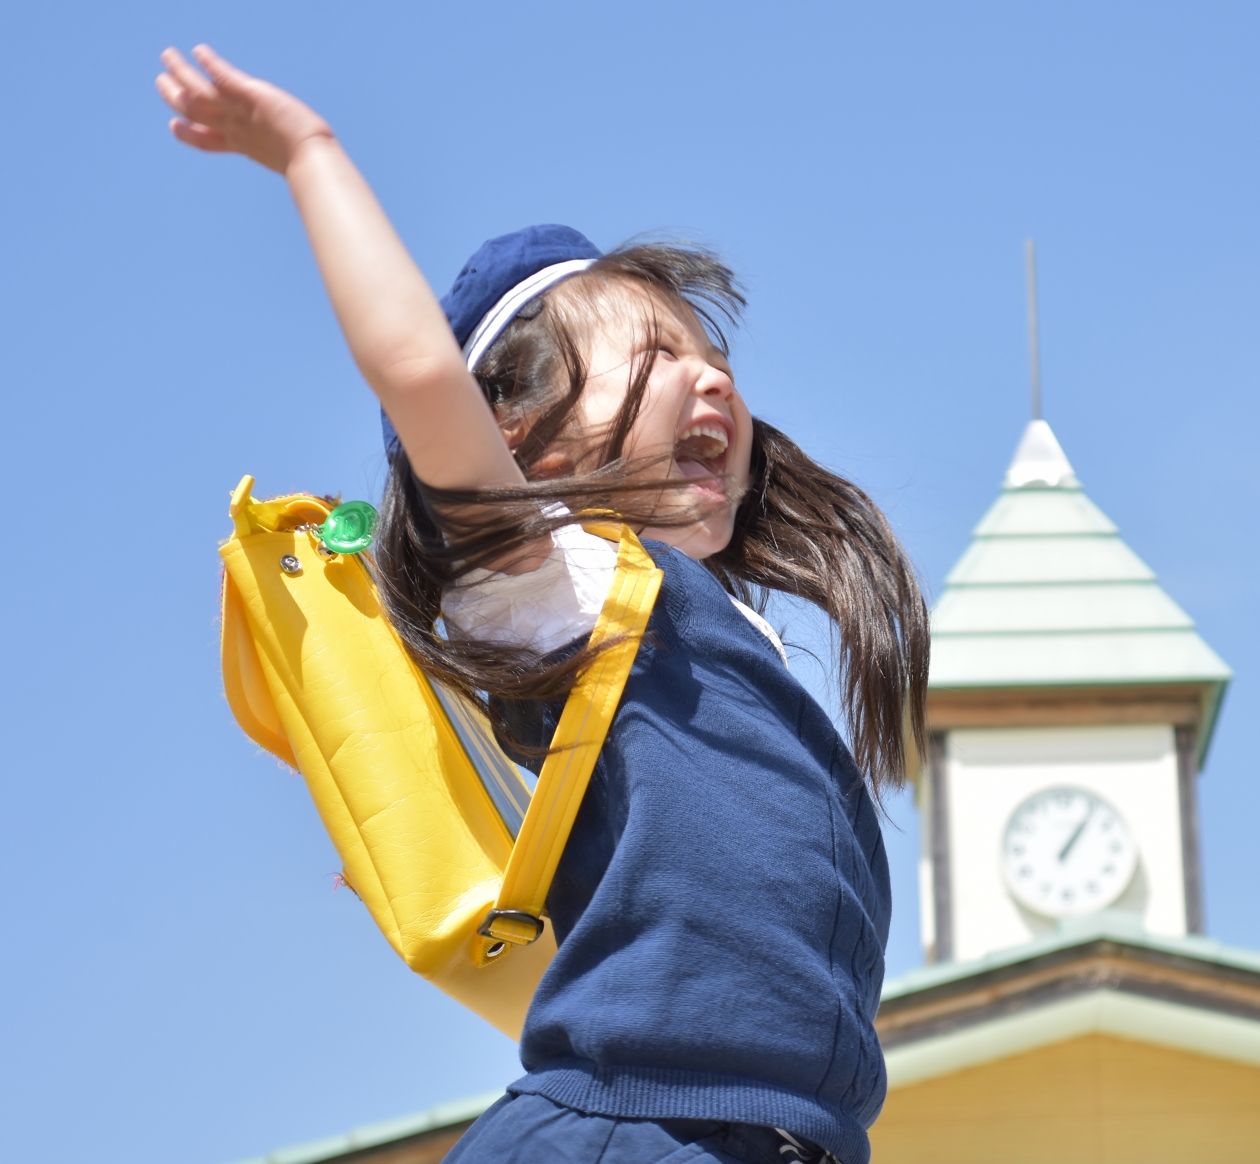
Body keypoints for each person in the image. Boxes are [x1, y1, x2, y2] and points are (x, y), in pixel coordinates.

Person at [157, 44, 926, 1164]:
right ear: (517, 433)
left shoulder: (721, 631)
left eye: (717, 356)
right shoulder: (555, 585)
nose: (714, 378)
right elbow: (420, 371)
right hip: (632, 1126)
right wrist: (307, 153)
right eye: (659, 353)